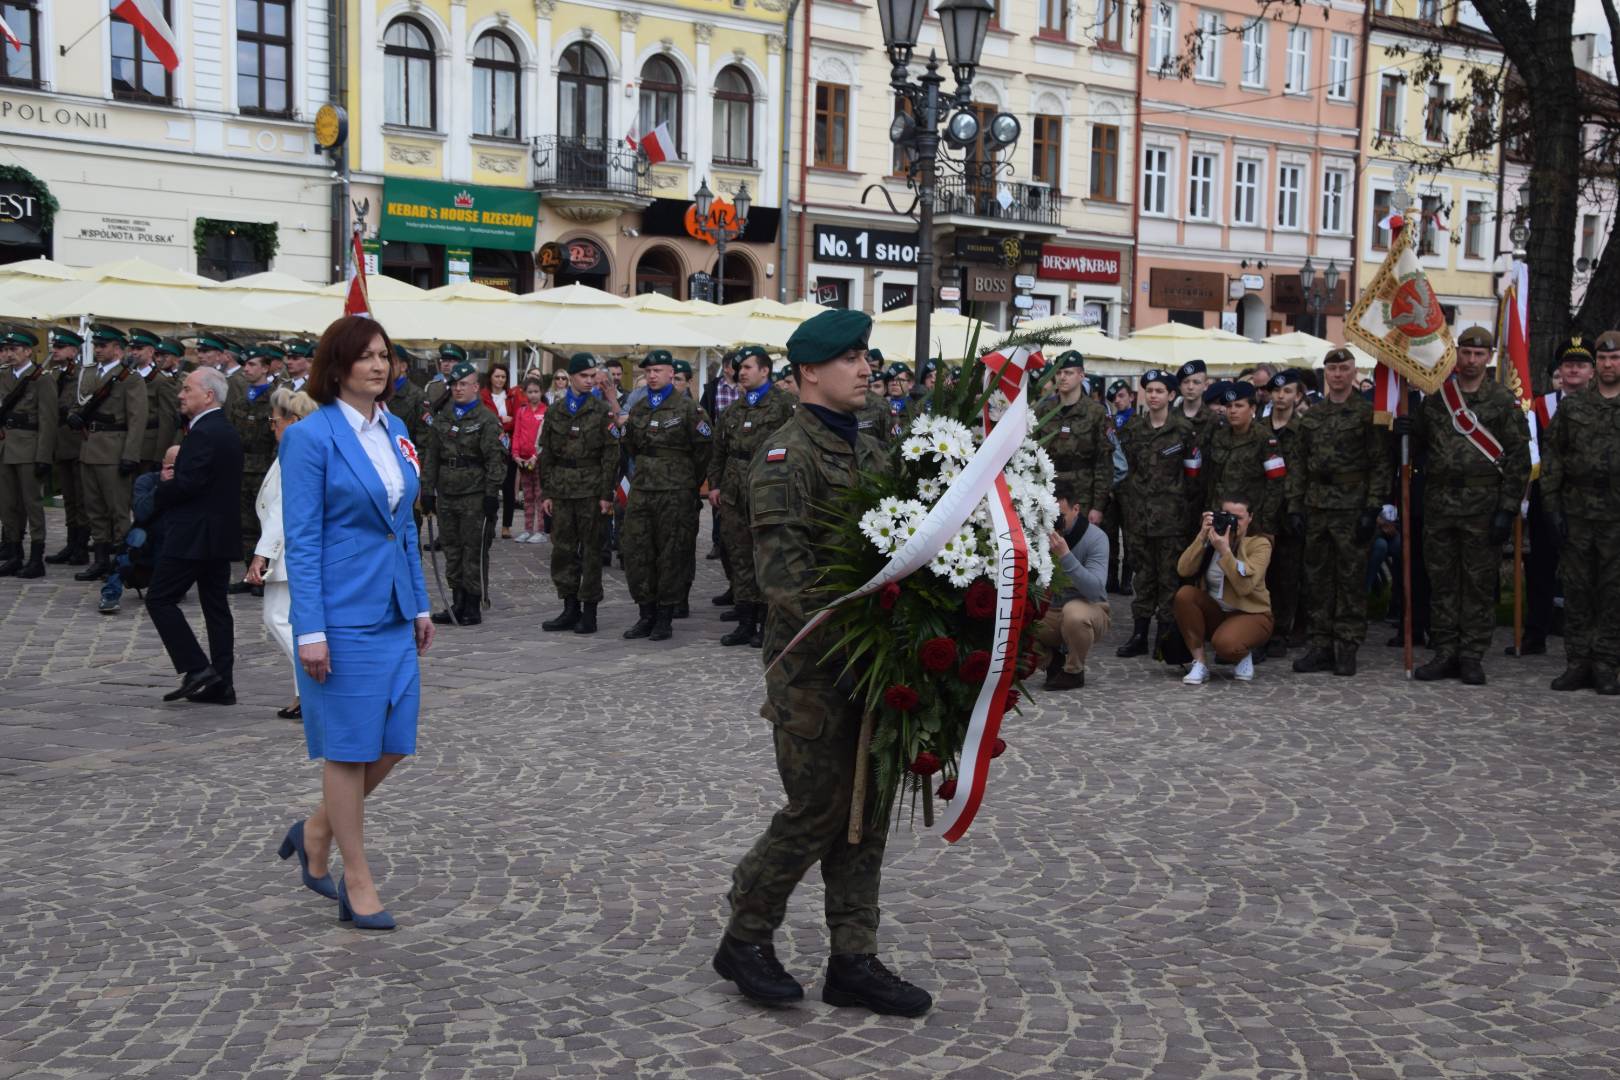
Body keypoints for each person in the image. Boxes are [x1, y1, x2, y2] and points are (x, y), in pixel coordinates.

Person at [717, 308, 930, 1018]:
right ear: (809, 371)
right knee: (819, 809)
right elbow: (786, 581)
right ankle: (745, 934)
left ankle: (853, 958)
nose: (866, 369)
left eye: (866, 357)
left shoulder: (872, 452)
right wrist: (864, 637)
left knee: (865, 810)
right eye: (849, 358)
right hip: (813, 667)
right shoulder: (786, 457)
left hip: (874, 665)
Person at [278, 314, 434, 931]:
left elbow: (404, 527)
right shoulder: (309, 437)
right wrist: (310, 630)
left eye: (384, 355)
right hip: (340, 614)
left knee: (394, 742)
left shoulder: (396, 428)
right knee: (348, 749)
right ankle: (358, 880)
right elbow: (302, 539)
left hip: (393, 608)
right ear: (337, 366)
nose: (378, 365)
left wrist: (419, 602)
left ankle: (316, 829)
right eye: (365, 355)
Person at [1397, 327, 1530, 685]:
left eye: (1479, 354)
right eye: (1466, 353)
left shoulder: (1501, 400)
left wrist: (1507, 509)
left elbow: (1518, 458)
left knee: (1478, 584)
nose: (1471, 361)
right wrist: (1404, 429)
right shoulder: (1438, 398)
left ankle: (1471, 655)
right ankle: (1445, 652)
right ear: (1457, 354)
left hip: (1483, 506)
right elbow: (1419, 444)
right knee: (1442, 582)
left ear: (1489, 357)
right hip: (1440, 505)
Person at [1287, 347, 1389, 677]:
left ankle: (1346, 645)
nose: (1338, 375)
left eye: (1344, 369)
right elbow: (1298, 464)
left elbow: (1379, 464)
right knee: (1316, 580)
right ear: (1325, 374)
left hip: (1352, 507)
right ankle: (1320, 645)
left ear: (1354, 372)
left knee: (1351, 579)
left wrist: (1372, 508)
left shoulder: (1366, 413)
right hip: (1317, 506)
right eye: (1332, 369)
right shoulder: (1312, 416)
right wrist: (1295, 506)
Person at [145, 366, 244, 706]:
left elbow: (190, 484)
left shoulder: (205, 432)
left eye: (187, 389)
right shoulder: (224, 429)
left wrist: (160, 490)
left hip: (194, 535)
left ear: (209, 395)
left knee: (159, 598)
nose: (181, 395)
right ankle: (222, 684)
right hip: (216, 534)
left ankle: (197, 667)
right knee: (216, 609)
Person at [1540, 330, 1620, 695]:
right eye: (1602, 359)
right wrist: (1552, 507)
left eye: (1614, 358)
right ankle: (1577, 662)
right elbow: (1553, 458)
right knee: (1577, 590)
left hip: (1615, 516)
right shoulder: (1573, 407)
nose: (1608, 364)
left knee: (1613, 592)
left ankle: (1605, 664)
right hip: (1578, 512)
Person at [1511, 339, 1596, 656]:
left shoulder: (1603, 404)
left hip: (1588, 502)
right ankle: (1535, 633)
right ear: (1559, 369)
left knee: (1588, 572)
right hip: (1546, 499)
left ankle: (1588, 640)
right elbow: (1525, 453)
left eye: (1581, 364)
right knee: (1540, 569)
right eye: (1568, 364)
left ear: (1591, 371)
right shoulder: (1538, 407)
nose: (1573, 370)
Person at [621, 349, 713, 641]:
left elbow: (704, 449)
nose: (652, 376)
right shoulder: (639, 408)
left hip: (676, 491)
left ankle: (665, 616)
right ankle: (645, 613)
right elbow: (630, 445)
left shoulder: (689, 408)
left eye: (657, 371)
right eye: (648, 371)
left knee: (672, 552)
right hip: (643, 489)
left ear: (671, 374)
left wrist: (687, 480)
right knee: (637, 551)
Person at [708, 344, 794, 647]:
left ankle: (767, 622)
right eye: (738, 368)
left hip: (768, 487)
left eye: (747, 367)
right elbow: (718, 450)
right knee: (740, 554)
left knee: (768, 555)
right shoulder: (734, 409)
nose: (740, 372)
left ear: (765, 370)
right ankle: (745, 620)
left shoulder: (785, 405)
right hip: (734, 491)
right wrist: (715, 485)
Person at [1115, 368, 1201, 658]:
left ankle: (1164, 637)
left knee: (1169, 579)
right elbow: (1124, 469)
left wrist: (1186, 511)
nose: (1153, 396)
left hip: (1172, 520)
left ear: (1171, 395)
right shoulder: (1133, 429)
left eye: (1159, 391)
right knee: (1142, 577)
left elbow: (1194, 476)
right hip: (1139, 518)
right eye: (1149, 390)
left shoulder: (1184, 431)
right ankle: (1139, 634)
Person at [246, 387, 319, 720]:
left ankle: (315, 685)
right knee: (289, 621)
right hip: (291, 550)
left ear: (294, 421)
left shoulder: (296, 453)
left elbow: (283, 510)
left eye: (274, 421)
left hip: (291, 551)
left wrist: (263, 554)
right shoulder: (293, 451)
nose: (271, 427)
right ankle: (306, 691)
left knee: (280, 619)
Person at [538, 353, 619, 634]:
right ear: (571, 377)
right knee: (563, 550)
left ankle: (590, 611)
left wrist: (606, 494)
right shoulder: (555, 411)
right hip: (562, 489)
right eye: (583, 376)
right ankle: (569, 607)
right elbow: (547, 454)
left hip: (591, 489)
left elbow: (611, 455)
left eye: (592, 376)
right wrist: (547, 492)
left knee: (592, 552)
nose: (589, 381)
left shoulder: (602, 410)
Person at [422, 361, 504, 627]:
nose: (458, 389)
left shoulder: (486, 419)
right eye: (454, 384)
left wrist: (491, 494)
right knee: (452, 548)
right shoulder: (443, 417)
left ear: (475, 387)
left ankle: (472, 603)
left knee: (473, 550)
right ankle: (457, 601)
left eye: (463, 384)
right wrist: (427, 490)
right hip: (447, 493)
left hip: (474, 495)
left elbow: (495, 461)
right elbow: (432, 456)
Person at [70, 325, 148, 583]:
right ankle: (100, 560)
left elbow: (137, 419)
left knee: (117, 511)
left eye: (103, 346)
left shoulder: (130, 378)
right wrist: (73, 416)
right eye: (96, 345)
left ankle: (122, 563)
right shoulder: (89, 372)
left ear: (117, 348)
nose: (98, 350)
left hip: (114, 450)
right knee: (94, 509)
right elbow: (79, 402)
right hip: (89, 448)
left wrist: (130, 455)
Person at [1173, 500, 1274, 685]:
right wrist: (1202, 536)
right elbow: (1183, 570)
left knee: (1225, 645)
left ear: (1250, 518)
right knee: (1185, 594)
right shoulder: (1212, 538)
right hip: (1217, 612)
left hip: (1251, 614)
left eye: (1238, 518)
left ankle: (1242, 653)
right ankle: (1200, 663)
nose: (1232, 522)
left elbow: (1245, 587)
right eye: (1227, 516)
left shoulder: (1260, 544)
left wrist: (1225, 551)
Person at [1034, 481, 1111, 690]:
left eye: (1060, 516)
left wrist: (1066, 556)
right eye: (1049, 517)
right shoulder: (1039, 533)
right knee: (1013, 620)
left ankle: (1074, 671)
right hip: (1050, 610)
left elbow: (1096, 589)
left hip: (1090, 608)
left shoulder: (1096, 538)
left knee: (1074, 614)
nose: (1054, 523)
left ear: (1076, 509)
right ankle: (1052, 662)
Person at [0, 326, 57, 578]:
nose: (8, 354)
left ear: (27, 352)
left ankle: (36, 557)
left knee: (32, 504)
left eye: (13, 349)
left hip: (29, 447)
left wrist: (43, 456)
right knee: (7, 504)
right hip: (5, 447)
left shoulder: (41, 378)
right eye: (5, 349)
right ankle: (14, 553)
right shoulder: (3, 375)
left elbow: (48, 420)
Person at [99, 444, 177, 616]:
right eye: (171, 465)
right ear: (163, 463)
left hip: (173, 547)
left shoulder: (190, 483)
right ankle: (110, 594)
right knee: (136, 536)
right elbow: (141, 513)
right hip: (147, 547)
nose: (175, 470)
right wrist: (161, 486)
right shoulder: (147, 481)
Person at [1038, 351, 1113, 526]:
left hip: (1082, 495)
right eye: (1059, 373)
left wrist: (1098, 506)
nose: (1062, 377)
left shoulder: (1096, 412)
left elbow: (1104, 463)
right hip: (1049, 491)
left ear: (1081, 376)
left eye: (1069, 373)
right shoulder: (1043, 411)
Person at [1262, 369, 1307, 656]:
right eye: (1277, 391)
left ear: (1298, 396)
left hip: (1291, 511)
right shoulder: (1259, 428)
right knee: (1264, 574)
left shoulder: (1303, 429)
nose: (1281, 396)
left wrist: (1296, 508)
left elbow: (1304, 472)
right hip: (1263, 510)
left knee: (1289, 575)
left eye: (1287, 391)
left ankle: (1283, 631)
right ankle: (1263, 627)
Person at [229, 347, 280, 595]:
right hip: (242, 469)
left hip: (264, 470)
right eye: (245, 365)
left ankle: (265, 575)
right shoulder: (241, 399)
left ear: (265, 368)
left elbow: (276, 438)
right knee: (246, 526)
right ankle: (250, 575)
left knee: (265, 525)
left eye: (252, 364)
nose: (246, 369)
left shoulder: (274, 400)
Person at [1201, 380, 1282, 535]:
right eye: (1229, 406)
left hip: (1251, 519)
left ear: (1252, 408)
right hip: (1220, 515)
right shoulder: (1219, 436)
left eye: (1239, 406)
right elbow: (1212, 480)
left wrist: (1267, 522)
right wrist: (1208, 511)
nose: (1232, 411)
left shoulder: (1266, 439)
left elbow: (1276, 485)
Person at [44, 328, 91, 566]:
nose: (55, 351)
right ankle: (71, 543)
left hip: (77, 442)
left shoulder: (83, 375)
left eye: (60, 347)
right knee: (69, 497)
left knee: (81, 497)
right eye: (54, 346)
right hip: (59, 443)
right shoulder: (52, 375)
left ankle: (81, 545)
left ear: (73, 351)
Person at [126, 328, 179, 474]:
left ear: (150, 352)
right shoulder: (126, 376)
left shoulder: (161, 380)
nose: (134, 352)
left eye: (139, 349)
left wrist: (160, 456)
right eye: (132, 348)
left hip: (147, 447)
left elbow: (167, 421)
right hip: (123, 443)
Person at [480, 364, 523, 539]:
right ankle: (488, 522)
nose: (500, 380)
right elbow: (484, 419)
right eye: (497, 376)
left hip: (508, 446)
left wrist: (504, 423)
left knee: (508, 487)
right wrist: (501, 419)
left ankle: (507, 525)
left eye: (503, 377)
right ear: (490, 377)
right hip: (488, 446)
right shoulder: (482, 395)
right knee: (488, 486)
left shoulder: (512, 396)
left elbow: (518, 419)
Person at [512, 374, 548, 543]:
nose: (533, 395)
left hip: (539, 460)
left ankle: (540, 530)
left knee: (540, 495)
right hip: (523, 460)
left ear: (542, 392)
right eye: (530, 392)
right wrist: (515, 454)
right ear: (525, 393)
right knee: (527, 496)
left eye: (536, 391)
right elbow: (517, 434)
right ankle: (527, 529)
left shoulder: (546, 411)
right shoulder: (521, 411)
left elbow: (545, 438)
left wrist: (536, 456)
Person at [1174, 359, 1217, 444]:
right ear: (1179, 386)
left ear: (1205, 385)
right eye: (1186, 382)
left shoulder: (1214, 419)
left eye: (1196, 382)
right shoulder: (1169, 417)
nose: (1190, 387)